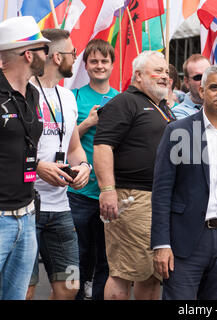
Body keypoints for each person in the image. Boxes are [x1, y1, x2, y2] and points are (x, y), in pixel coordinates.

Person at [151, 64, 217, 300]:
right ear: (201, 91)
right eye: (215, 87)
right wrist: (161, 244)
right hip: (186, 240)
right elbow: (161, 192)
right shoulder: (177, 131)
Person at [93, 50, 174, 300]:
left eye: (167, 72)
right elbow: (102, 146)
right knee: (124, 272)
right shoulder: (123, 102)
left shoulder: (162, 107)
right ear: (137, 76)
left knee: (152, 274)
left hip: (159, 200)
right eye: (158, 71)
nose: (164, 76)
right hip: (132, 199)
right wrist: (107, 191)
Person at [26, 28, 91, 300]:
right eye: (73, 53)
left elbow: (74, 147)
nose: (76, 58)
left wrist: (84, 167)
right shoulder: (24, 92)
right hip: (26, 209)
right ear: (55, 57)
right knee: (24, 291)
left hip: (62, 209)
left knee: (70, 288)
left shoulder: (67, 97)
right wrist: (38, 166)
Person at [0, 16, 49, 300]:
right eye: (43, 49)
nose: (48, 55)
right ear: (28, 54)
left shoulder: (32, 93)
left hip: (27, 216)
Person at [68, 39, 119, 300]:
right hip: (78, 193)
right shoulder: (74, 97)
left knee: (106, 260)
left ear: (112, 65)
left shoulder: (123, 99)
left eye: (104, 61)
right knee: (76, 258)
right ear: (86, 66)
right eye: (94, 61)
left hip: (108, 194)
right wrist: (89, 122)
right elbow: (63, 140)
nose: (99, 66)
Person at [171, 54, 210, 119]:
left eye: (208, 75)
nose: (204, 81)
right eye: (198, 77)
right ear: (187, 82)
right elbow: (196, 129)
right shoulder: (178, 112)